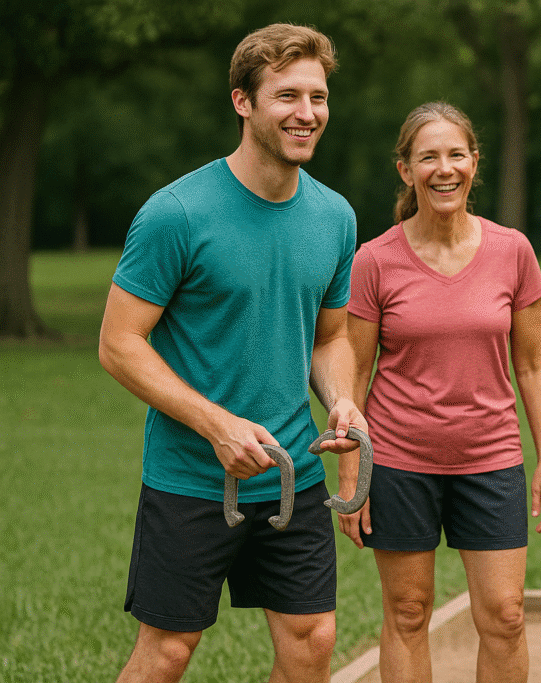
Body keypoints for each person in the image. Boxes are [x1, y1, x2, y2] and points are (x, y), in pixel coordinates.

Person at [98, 23, 367, 683]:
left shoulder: (335, 217)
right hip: (192, 475)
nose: (307, 113)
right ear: (243, 102)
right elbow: (118, 343)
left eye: (318, 97)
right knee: (169, 649)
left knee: (311, 641)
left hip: (293, 473)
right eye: (287, 96)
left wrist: (341, 400)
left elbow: (329, 337)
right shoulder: (177, 213)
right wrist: (215, 423)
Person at [337, 101, 541, 683]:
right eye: (428, 157)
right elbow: (352, 375)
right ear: (405, 170)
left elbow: (534, 365)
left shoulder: (512, 251)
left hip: (490, 460)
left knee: (506, 616)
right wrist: (350, 476)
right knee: (408, 613)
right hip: (397, 462)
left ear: (474, 163)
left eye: (456, 154)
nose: (444, 169)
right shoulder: (375, 260)